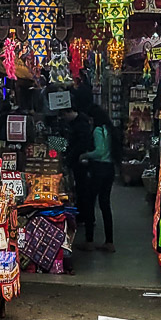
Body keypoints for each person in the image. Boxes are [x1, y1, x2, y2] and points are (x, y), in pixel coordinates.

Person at [80, 108, 119, 253]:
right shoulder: (109, 129)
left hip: (98, 169)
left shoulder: (97, 130)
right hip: (109, 169)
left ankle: (89, 241)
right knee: (105, 204)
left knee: (90, 203)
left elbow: (99, 151)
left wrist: (85, 155)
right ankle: (109, 242)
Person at [60, 97, 94, 253]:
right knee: (83, 193)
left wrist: (70, 156)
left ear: (69, 112)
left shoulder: (80, 126)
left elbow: (80, 145)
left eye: (64, 115)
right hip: (81, 164)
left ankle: (87, 225)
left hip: (82, 165)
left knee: (84, 193)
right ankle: (84, 219)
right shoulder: (79, 123)